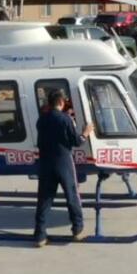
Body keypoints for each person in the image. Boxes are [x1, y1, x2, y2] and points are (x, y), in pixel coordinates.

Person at [33, 90, 94, 247]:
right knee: (72, 196)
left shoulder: (41, 120)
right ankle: (77, 230)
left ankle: (40, 235)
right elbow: (76, 141)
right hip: (63, 162)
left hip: (45, 163)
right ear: (61, 102)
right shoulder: (65, 119)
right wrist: (86, 133)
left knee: (44, 199)